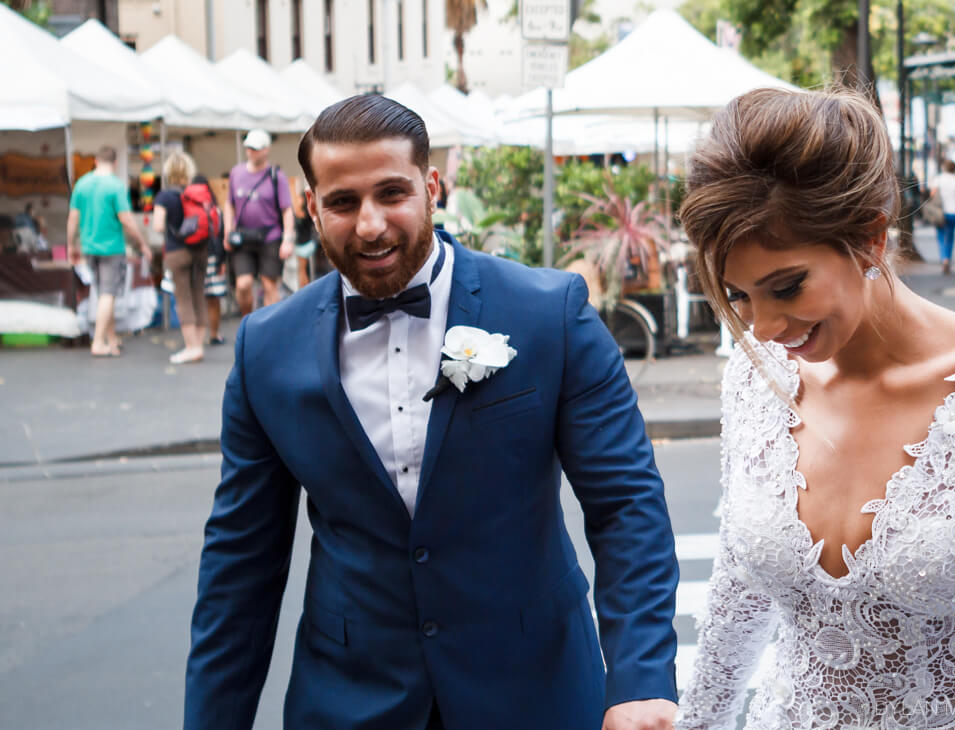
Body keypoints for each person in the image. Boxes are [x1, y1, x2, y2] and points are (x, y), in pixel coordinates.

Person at [184, 95, 680, 730]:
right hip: (350, 701)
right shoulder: (265, 350)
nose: (369, 225)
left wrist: (639, 680)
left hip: (535, 693)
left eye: (392, 193)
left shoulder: (549, 314)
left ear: (432, 186)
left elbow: (626, 505)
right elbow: (240, 563)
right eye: (342, 202)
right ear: (312, 207)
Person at [672, 88, 955, 729]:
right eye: (738, 296)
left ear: (870, 237)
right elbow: (736, 596)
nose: (765, 325)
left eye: (787, 287)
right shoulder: (755, 377)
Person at [67, 145, 150, 357]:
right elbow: (126, 219)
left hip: (88, 247)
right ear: (115, 163)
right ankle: (98, 342)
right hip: (111, 247)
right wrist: (141, 243)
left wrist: (71, 244)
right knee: (108, 294)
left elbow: (73, 218)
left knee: (104, 293)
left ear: (95, 160)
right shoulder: (115, 186)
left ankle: (111, 339)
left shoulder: (81, 184)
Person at [223, 129, 295, 315]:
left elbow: (287, 209)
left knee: (269, 284)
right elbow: (229, 204)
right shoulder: (236, 173)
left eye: (255, 149)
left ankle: (271, 328)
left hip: (270, 236)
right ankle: (249, 321)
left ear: (266, 150)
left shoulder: (276, 175)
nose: (251, 152)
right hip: (243, 236)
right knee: (243, 284)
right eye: (248, 148)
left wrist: (287, 239)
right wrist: (227, 231)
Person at [153, 152, 211, 364]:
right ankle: (199, 345)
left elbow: (158, 225)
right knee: (198, 295)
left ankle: (191, 347)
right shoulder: (198, 194)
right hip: (201, 249)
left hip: (178, 251)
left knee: (183, 298)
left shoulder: (165, 196)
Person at [194, 174, 229, 346]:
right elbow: (221, 235)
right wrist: (222, 260)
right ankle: (214, 334)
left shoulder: (187, 205)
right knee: (213, 298)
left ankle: (194, 338)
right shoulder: (215, 209)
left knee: (194, 297)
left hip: (193, 256)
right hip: (212, 256)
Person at [928, 159, 955, 274]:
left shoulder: (938, 179)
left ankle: (944, 258)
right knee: (950, 236)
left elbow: (932, 195)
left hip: (940, 212)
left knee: (940, 236)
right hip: (954, 212)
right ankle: (947, 258)